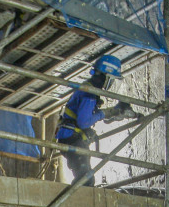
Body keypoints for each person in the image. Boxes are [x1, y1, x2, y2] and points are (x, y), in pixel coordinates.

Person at [55, 54, 138, 185]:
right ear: (106, 76)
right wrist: (104, 113)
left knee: (86, 177)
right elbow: (84, 122)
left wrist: (108, 113)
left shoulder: (89, 89)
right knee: (85, 179)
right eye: (111, 79)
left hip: (71, 137)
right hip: (72, 138)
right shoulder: (90, 92)